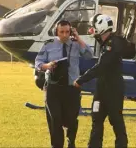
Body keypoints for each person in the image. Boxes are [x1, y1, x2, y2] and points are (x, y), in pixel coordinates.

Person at [35, 19, 93, 148]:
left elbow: (89, 55)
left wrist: (78, 38)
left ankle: (71, 141)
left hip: (71, 88)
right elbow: (38, 62)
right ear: (57, 32)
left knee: (71, 120)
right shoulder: (48, 44)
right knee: (55, 119)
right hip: (53, 87)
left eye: (67, 32)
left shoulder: (76, 44)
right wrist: (47, 65)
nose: (65, 35)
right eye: (62, 32)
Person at [73, 14, 128, 148]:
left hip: (113, 91)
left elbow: (100, 67)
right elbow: (100, 39)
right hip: (101, 90)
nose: (92, 29)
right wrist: (79, 37)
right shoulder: (106, 42)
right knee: (96, 119)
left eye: (94, 27)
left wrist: (81, 80)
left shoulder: (112, 45)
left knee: (116, 121)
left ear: (101, 27)